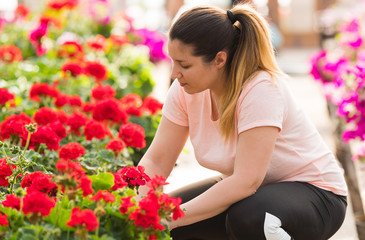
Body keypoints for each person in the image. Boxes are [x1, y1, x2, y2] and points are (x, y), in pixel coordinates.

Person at [138, 3, 348, 240]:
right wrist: (139, 211)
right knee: (174, 225)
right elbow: (156, 161)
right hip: (254, 191)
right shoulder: (183, 89)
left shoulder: (260, 89)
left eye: (185, 65)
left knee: (248, 218)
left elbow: (246, 182)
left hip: (317, 194)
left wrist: (168, 218)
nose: (174, 73)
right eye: (173, 62)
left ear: (219, 59)